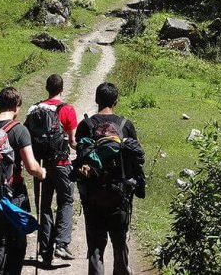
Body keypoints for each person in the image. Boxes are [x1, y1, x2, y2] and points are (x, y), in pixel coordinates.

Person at [75, 82, 145, 275]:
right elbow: (138, 157)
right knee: (120, 244)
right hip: (120, 195)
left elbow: (79, 158)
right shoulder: (125, 125)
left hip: (93, 195)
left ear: (96, 100)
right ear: (116, 100)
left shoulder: (86, 125)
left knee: (96, 247)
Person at [0, 87, 46, 275]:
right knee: (17, 243)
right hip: (13, 194)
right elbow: (32, 167)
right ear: (16, 106)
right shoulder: (19, 130)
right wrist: (42, 173)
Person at [37, 74, 78, 266]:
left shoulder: (35, 109)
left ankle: (45, 251)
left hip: (42, 166)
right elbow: (72, 142)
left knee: (44, 206)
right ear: (62, 89)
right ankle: (61, 243)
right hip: (61, 165)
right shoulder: (67, 109)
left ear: (46, 88)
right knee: (66, 202)